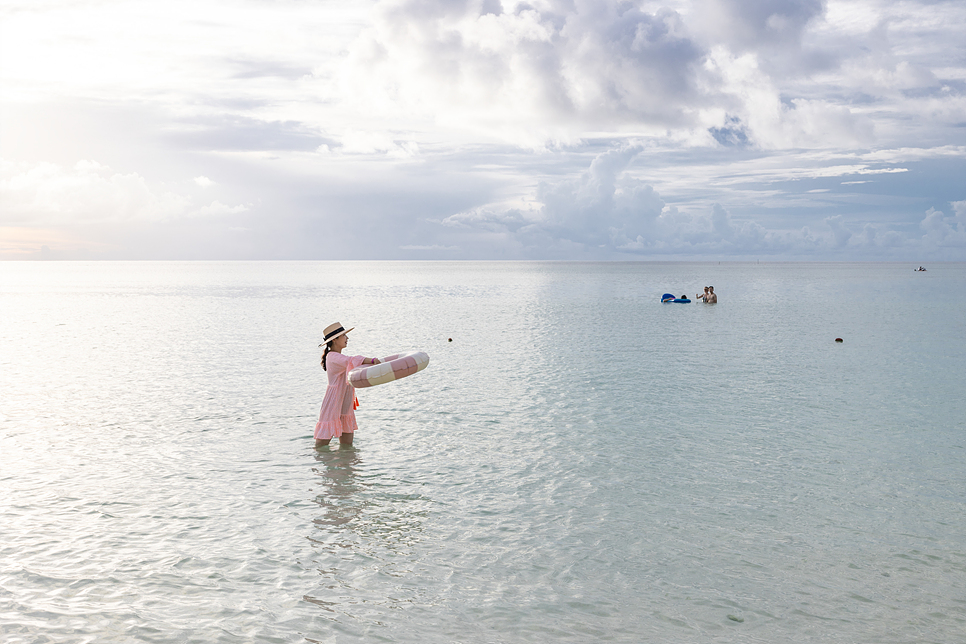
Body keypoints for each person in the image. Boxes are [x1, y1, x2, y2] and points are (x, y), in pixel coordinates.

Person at [314, 322, 381, 448]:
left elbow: (356, 365)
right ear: (335, 339)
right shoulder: (332, 357)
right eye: (344, 335)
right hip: (333, 402)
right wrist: (372, 360)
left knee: (347, 447)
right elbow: (351, 360)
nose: (347, 338)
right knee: (321, 447)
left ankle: (345, 465)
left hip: (345, 401)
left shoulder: (338, 356)